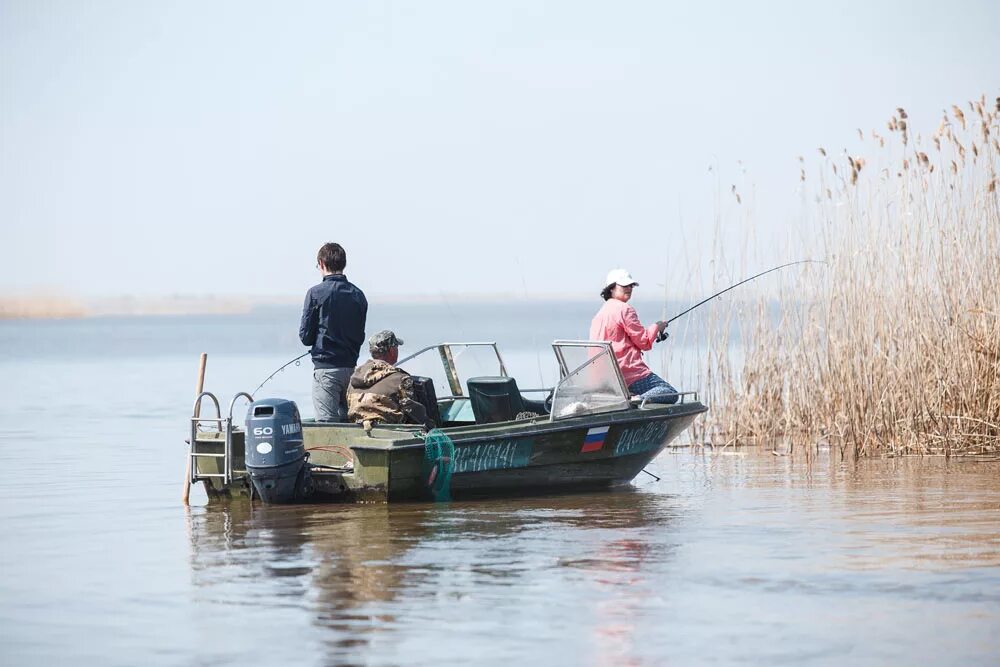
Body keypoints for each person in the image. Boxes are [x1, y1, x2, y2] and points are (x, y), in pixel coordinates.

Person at [299, 242, 368, 422]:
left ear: (321, 263)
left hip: (326, 371)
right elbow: (359, 335)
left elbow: (305, 337)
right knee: (351, 423)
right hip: (352, 372)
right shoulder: (358, 294)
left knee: (327, 427)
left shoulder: (315, 293)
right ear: (343, 263)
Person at [589, 268, 678, 404]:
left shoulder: (600, 314)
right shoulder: (625, 309)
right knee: (670, 392)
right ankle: (636, 400)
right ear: (611, 288)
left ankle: (633, 400)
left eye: (631, 285)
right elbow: (644, 342)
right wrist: (657, 327)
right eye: (624, 285)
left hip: (605, 379)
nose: (629, 288)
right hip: (629, 375)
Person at [347, 330, 431, 428]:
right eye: (396, 347)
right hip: (390, 432)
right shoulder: (400, 378)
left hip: (358, 431)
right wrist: (431, 425)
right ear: (391, 351)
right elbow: (412, 411)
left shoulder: (355, 378)